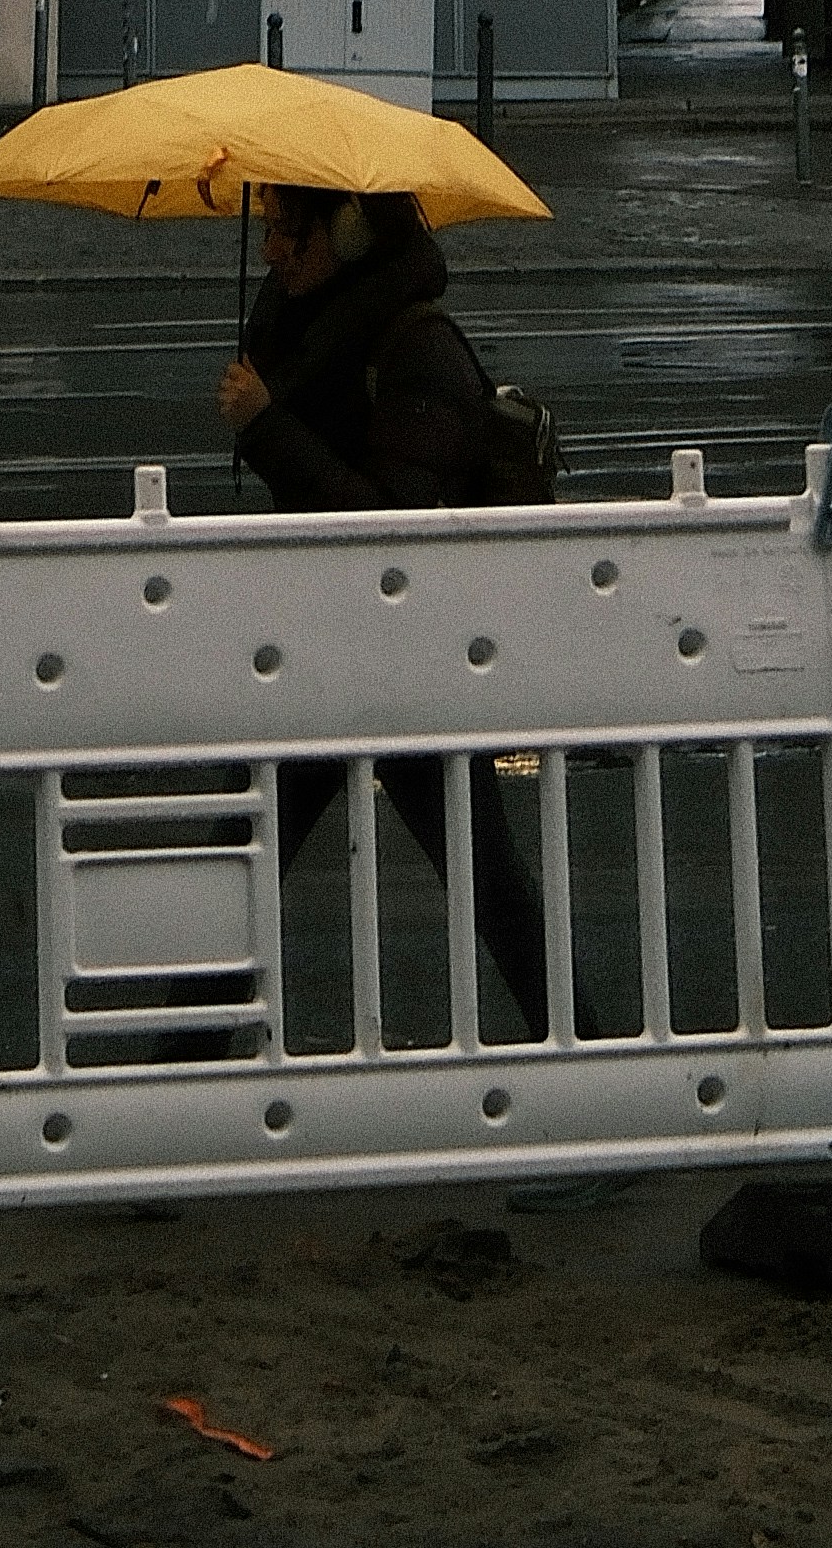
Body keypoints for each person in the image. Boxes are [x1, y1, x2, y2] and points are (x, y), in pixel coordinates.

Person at [221, 177, 553, 1027]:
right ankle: (181, 1058)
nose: (270, 249)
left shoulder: (418, 348)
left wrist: (267, 427)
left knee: (489, 885)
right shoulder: (312, 334)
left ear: (351, 232)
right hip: (329, 650)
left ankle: (589, 1045)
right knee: (240, 859)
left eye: (287, 230)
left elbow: (390, 528)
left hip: (407, 662)